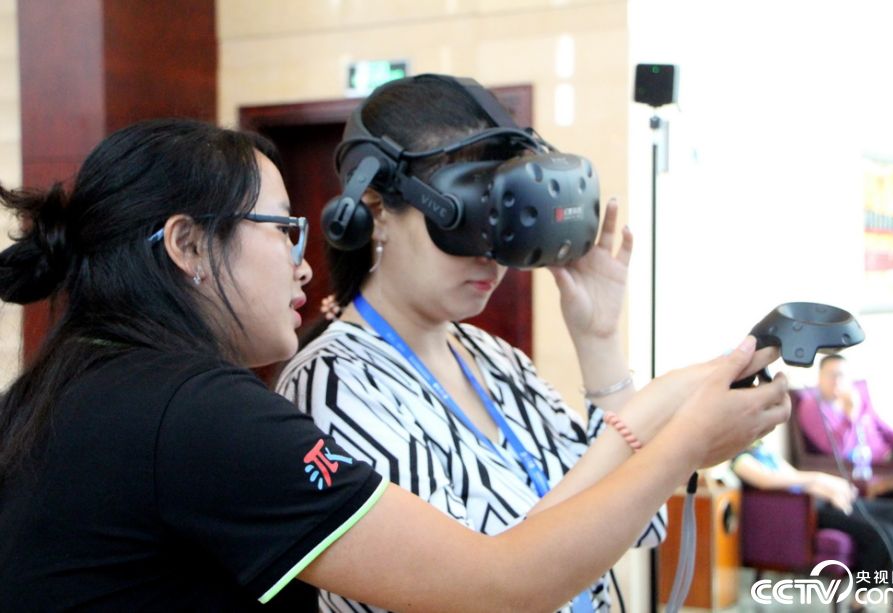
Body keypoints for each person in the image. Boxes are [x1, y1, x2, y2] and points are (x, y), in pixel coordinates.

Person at [0, 117, 788, 611]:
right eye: (282, 230)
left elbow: (620, 521)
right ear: (186, 245)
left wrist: (620, 354)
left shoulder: (75, 379)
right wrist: (683, 439)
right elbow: (503, 580)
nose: (303, 261)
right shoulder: (219, 406)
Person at [274, 74, 782, 613]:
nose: (489, 253)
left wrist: (599, 339)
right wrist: (666, 430)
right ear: (377, 210)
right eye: (466, 221)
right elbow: (475, 593)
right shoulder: (333, 384)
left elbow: (641, 521)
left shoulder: (498, 361)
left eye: (503, 219)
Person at [732, 439, 893, 584]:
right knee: (885, 532)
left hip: (823, 499)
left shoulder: (762, 451)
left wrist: (831, 486)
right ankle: (874, 596)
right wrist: (819, 480)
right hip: (807, 511)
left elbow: (795, 476)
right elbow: (769, 482)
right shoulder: (741, 460)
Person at [797, 354, 893, 494]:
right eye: (831, 375)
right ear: (820, 377)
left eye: (841, 375)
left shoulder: (857, 396)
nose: (836, 381)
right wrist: (851, 416)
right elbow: (837, 451)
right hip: (868, 466)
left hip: (891, 454)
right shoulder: (811, 407)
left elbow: (886, 430)